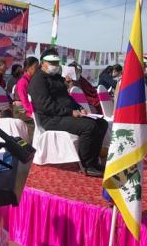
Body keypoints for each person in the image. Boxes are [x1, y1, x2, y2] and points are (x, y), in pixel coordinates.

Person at [28, 48, 108, 177]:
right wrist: (71, 112)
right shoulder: (38, 81)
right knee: (89, 127)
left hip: (64, 115)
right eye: (51, 63)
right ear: (43, 63)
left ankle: (94, 160)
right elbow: (46, 106)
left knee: (102, 123)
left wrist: (79, 107)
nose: (54, 66)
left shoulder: (57, 78)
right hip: (51, 119)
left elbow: (67, 98)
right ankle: (87, 165)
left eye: (56, 63)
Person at [13, 57, 38, 142]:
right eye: (36, 67)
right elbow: (24, 102)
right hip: (19, 108)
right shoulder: (23, 82)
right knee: (34, 122)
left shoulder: (32, 80)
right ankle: (31, 147)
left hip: (26, 107)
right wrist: (32, 113)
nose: (38, 69)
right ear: (28, 69)